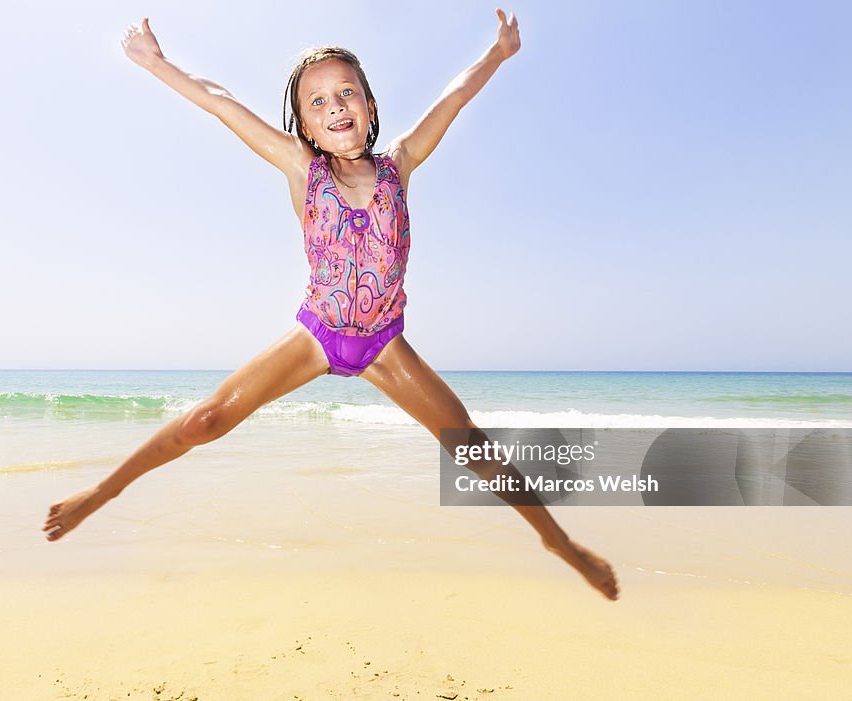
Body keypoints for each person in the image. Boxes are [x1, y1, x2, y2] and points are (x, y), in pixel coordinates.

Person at [43, 10, 619, 601]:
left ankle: (560, 542)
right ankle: (104, 492)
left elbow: (455, 96)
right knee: (208, 420)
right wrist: (155, 62)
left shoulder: (402, 162)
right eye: (316, 102)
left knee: (466, 442)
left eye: (347, 93)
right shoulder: (302, 168)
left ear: (369, 105)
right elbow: (222, 102)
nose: (335, 106)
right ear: (305, 127)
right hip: (317, 333)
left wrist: (498, 52)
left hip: (383, 342)